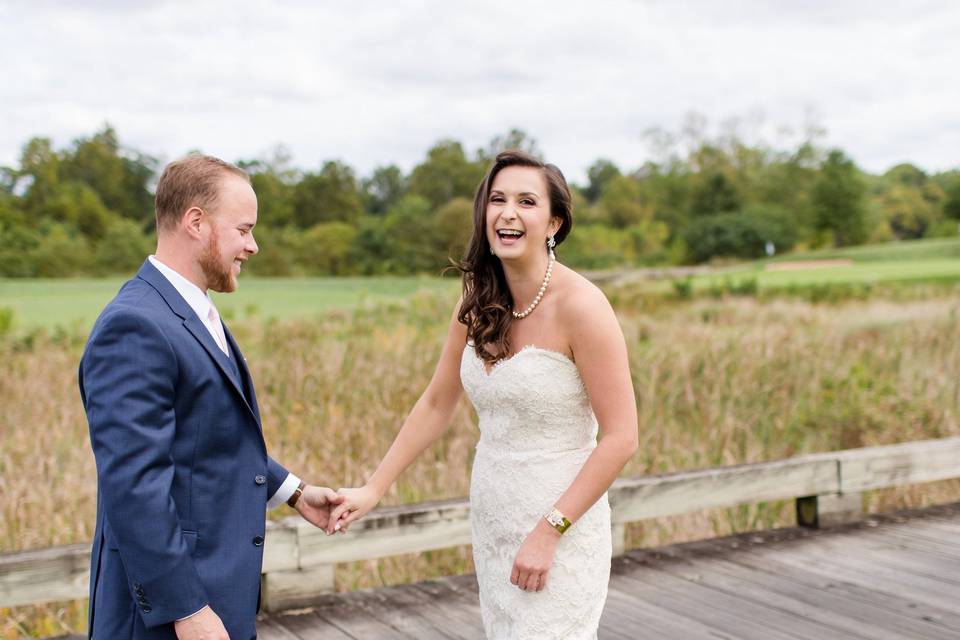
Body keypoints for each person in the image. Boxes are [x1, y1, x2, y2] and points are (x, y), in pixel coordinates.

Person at [328, 150, 639, 639]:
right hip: (493, 519)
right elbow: (436, 401)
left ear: (553, 222)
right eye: (497, 199)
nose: (507, 212)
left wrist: (549, 530)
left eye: (526, 201)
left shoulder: (584, 307)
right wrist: (374, 487)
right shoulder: (476, 300)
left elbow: (621, 438)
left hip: (560, 525)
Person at [79, 154, 342, 640]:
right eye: (244, 229)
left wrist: (294, 492)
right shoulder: (135, 325)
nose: (253, 245)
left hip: (214, 594)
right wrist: (186, 609)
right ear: (195, 222)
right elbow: (134, 485)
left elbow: (210, 435)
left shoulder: (189, 308)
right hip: (166, 615)